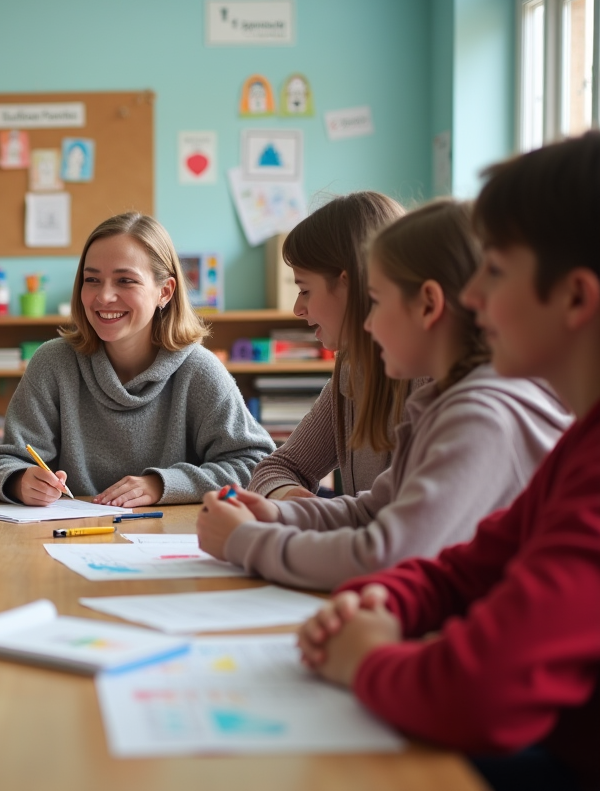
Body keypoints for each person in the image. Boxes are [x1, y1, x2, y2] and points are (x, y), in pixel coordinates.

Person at [296, 134, 600, 791]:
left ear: (576, 298)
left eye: (494, 271)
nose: (474, 298)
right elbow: (469, 568)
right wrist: (384, 601)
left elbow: (482, 692)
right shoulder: (582, 443)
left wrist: (366, 659)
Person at [197, 200, 570, 591]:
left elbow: (388, 556)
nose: (369, 322)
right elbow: (374, 508)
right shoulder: (442, 403)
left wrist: (244, 541)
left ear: (428, 305)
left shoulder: (479, 413)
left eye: (376, 301)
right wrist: (277, 514)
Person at [0, 212, 274, 507]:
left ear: (165, 292)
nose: (104, 296)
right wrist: (19, 481)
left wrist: (163, 485)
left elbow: (254, 464)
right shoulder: (53, 362)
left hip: (168, 540)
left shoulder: (199, 370)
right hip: (67, 537)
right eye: (92, 279)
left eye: (125, 280)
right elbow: (1, 463)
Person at [248, 192, 412, 501]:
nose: (298, 309)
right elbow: (277, 468)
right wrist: (298, 503)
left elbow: (396, 519)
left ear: (348, 283)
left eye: (305, 290)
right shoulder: (351, 372)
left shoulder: (431, 380)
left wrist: (314, 517)